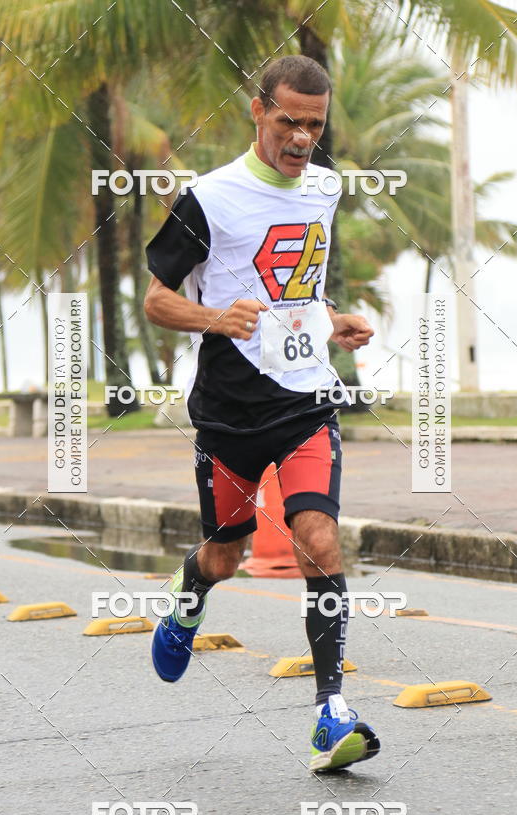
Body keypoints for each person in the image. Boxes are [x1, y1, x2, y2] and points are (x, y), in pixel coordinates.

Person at [144, 55, 379, 771]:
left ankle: (330, 714)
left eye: (314, 123)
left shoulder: (325, 189)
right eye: (288, 121)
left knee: (320, 541)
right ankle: (190, 596)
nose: (302, 137)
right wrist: (217, 317)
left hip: (307, 402)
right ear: (257, 112)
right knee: (227, 553)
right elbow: (156, 301)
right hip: (226, 417)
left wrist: (331, 318)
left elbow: (296, 285)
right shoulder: (209, 199)